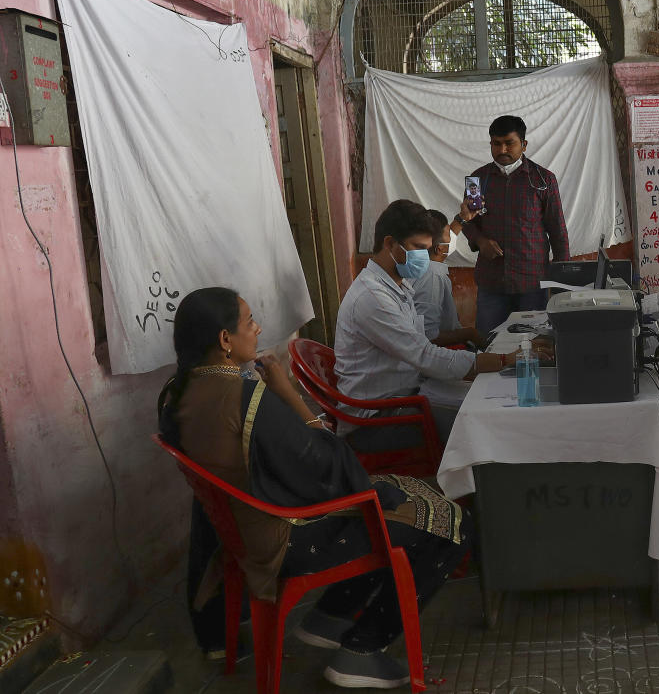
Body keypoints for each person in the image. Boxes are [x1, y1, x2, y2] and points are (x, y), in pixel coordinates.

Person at [158, 287, 472, 688]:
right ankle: (361, 649)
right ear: (224, 340)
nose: (257, 329)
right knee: (450, 524)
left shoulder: (179, 392)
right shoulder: (247, 397)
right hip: (283, 537)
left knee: (398, 492)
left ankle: (331, 616)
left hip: (240, 529)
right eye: (249, 321)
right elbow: (329, 467)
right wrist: (288, 394)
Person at [336, 199, 542, 454]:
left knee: (487, 401)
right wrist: (503, 360)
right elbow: (426, 355)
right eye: (418, 248)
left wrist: (491, 363)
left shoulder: (398, 285)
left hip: (406, 395)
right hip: (378, 421)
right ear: (390, 244)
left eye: (428, 248)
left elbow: (422, 349)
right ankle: (476, 489)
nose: (425, 256)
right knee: (490, 423)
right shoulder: (373, 298)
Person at [460, 115, 571, 335]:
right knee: (488, 345)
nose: (502, 149)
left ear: (524, 144)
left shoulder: (543, 180)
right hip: (491, 284)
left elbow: (558, 232)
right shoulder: (478, 180)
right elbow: (468, 222)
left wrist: (563, 281)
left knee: (534, 345)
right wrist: (481, 241)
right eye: (496, 143)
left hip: (532, 284)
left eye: (509, 143)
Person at [411, 209, 484, 347]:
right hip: (441, 353)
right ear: (439, 249)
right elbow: (429, 336)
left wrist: (463, 218)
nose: (451, 240)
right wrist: (469, 334)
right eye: (448, 237)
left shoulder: (420, 261)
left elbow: (443, 244)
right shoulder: (432, 277)